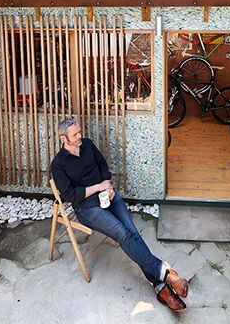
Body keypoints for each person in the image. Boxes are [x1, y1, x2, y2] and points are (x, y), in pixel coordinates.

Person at [51, 117, 189, 312]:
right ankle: (166, 273)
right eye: (75, 135)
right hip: (88, 208)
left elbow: (102, 165)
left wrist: (108, 187)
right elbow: (70, 195)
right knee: (122, 234)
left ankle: (160, 288)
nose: (80, 136)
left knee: (131, 230)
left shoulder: (88, 145)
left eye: (80, 132)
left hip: (107, 196)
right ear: (64, 139)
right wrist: (99, 186)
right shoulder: (58, 165)